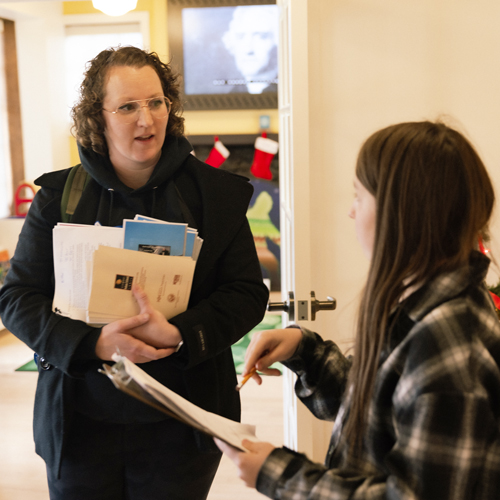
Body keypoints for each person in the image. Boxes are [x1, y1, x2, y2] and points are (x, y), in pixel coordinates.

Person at [0, 46, 269, 499]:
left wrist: (180, 334)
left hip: (183, 424)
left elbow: (246, 293)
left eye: (156, 102)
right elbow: (16, 298)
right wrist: (92, 344)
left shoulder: (217, 196)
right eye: (127, 107)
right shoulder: (57, 197)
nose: (146, 120)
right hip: (79, 423)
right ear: (97, 118)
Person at [216, 120, 500, 499]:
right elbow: (379, 406)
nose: (351, 213)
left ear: (403, 214)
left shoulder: (448, 341)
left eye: (359, 197)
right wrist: (305, 352)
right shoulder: (424, 303)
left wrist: (278, 474)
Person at [221, 5, 279, 94]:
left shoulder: (295, 93)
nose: (248, 50)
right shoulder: (231, 96)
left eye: (261, 37)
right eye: (240, 37)